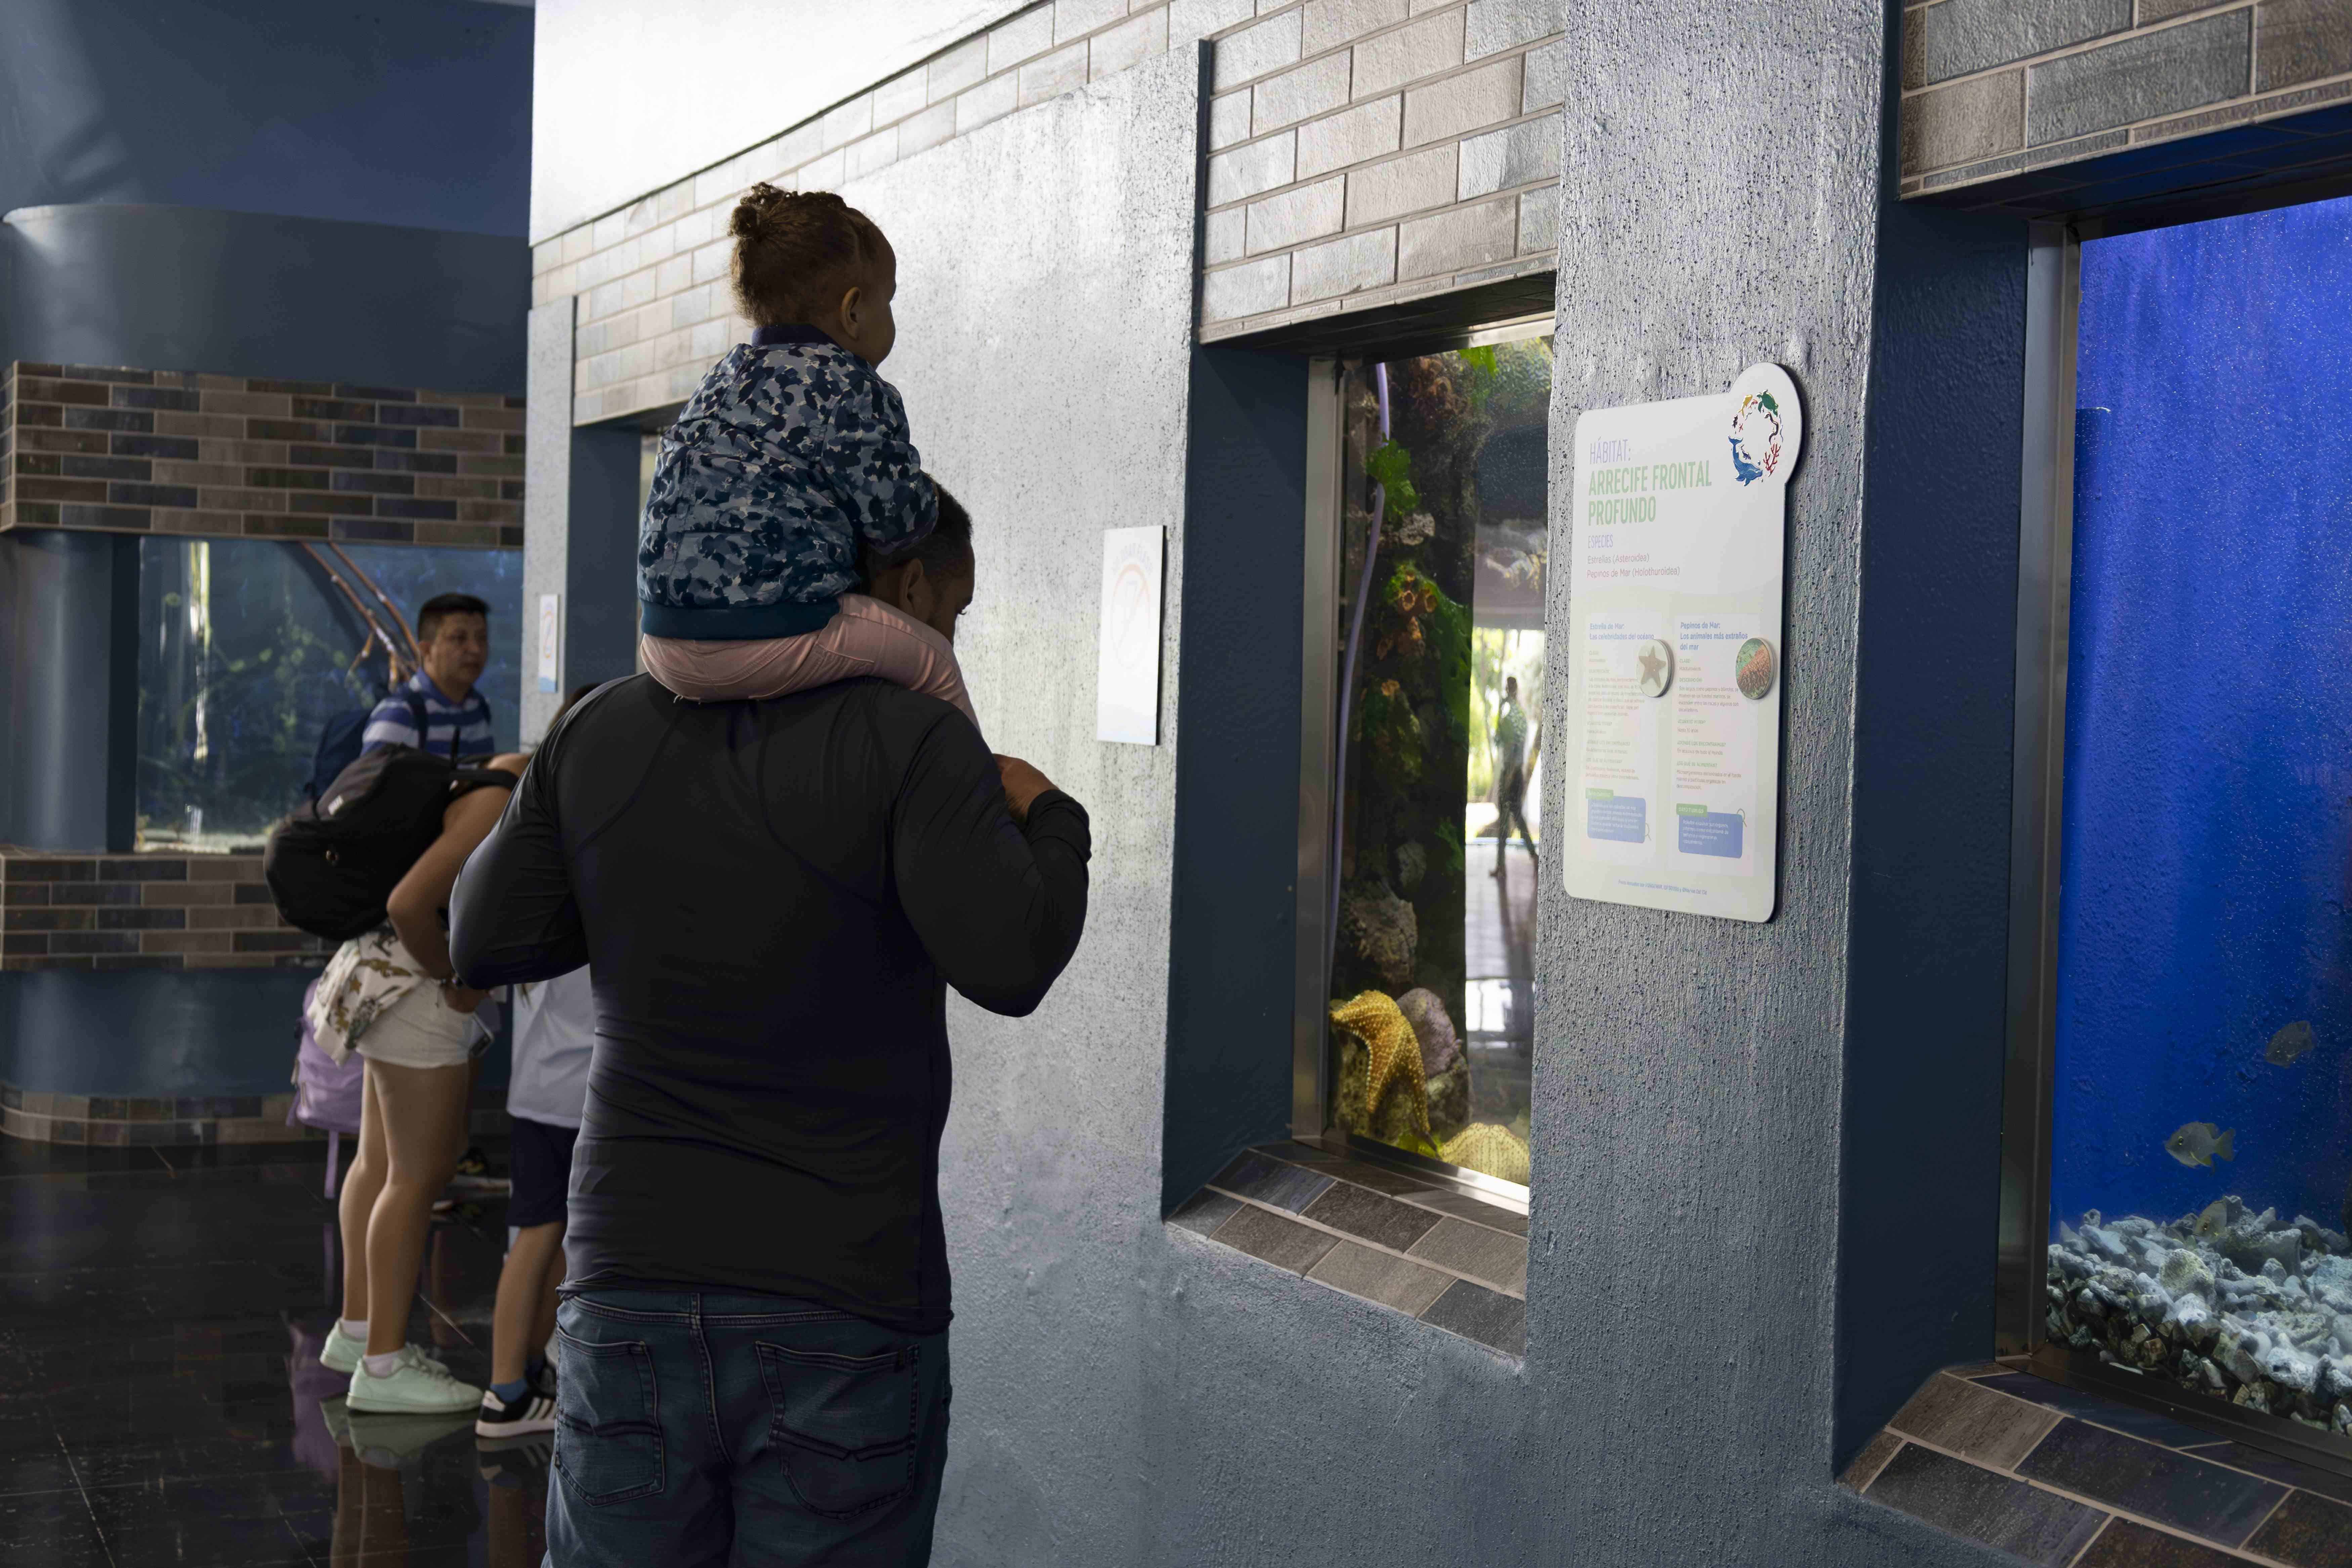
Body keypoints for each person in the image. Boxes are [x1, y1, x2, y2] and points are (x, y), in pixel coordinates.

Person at [449, 498, 1089, 1566]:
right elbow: (1012, 962)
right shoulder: (917, 738)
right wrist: (1051, 818)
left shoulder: (603, 724)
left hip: (630, 1283)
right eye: (958, 608)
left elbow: (479, 936)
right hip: (840, 1297)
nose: (953, 638)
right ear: (913, 588)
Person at [633, 182, 976, 726]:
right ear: (854, 311)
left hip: (660, 640)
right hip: (769, 632)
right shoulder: (849, 387)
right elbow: (899, 521)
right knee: (934, 661)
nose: (893, 317)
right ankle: (980, 797)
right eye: (890, 298)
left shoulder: (720, 380)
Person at [314, 749, 526, 1415]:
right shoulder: (499, 800)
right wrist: (454, 977)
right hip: (412, 991)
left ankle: (357, 1334)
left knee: (379, 1163)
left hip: (378, 979)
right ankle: (382, 1365)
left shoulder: (484, 782)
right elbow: (409, 902)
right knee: (417, 1174)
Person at [476, 687, 600, 1443]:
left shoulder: (538, 837)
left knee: (545, 1231)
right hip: (569, 1085)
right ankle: (504, 1393)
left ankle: (529, 1368)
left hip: (545, 1082)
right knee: (538, 1232)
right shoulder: (589, 847)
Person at [364, 592, 496, 759]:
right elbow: (367, 784)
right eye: (459, 639)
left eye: (482, 638)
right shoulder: (400, 715)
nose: (475, 649)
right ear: (427, 651)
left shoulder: (478, 707)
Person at [1491, 674, 1536, 878]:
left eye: (1510, 688)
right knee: (1511, 819)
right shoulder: (1511, 714)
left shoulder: (1516, 716)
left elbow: (1514, 748)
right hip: (1510, 772)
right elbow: (1499, 739)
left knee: (1514, 819)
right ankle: (1504, 865)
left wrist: (1510, 776)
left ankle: (1526, 859)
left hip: (1512, 773)